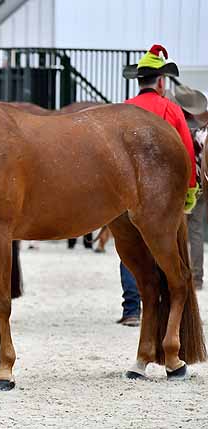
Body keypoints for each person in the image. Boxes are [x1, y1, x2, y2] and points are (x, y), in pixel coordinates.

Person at [117, 44, 198, 327]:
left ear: (140, 81)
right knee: (165, 250)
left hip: (123, 193)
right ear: (161, 82)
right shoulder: (172, 110)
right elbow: (186, 152)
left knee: (129, 247)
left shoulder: (123, 109)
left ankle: (131, 308)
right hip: (161, 195)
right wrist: (189, 191)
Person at [166, 85, 208, 290]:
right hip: (201, 186)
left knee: (175, 231)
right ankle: (198, 278)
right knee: (196, 232)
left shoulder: (176, 128)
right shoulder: (204, 131)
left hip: (179, 186)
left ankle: (177, 273)